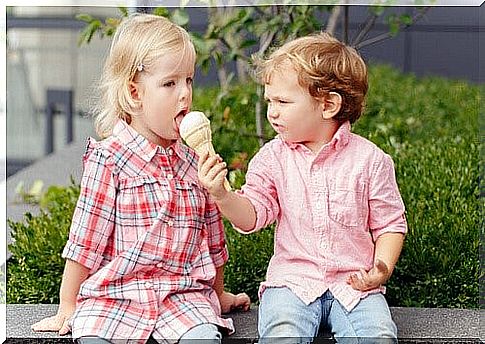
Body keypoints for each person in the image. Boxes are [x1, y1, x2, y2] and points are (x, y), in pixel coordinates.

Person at [31, 13, 250, 344]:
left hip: (182, 295)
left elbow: (213, 239)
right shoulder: (110, 161)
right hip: (116, 294)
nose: (185, 94)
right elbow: (85, 242)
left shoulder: (194, 161)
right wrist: (67, 306)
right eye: (170, 83)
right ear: (134, 93)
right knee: (92, 336)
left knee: (204, 337)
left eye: (188, 80)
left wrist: (217, 293)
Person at [198, 32, 407, 343]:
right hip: (292, 285)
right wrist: (223, 195)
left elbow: (390, 223)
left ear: (328, 105)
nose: (272, 111)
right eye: (269, 100)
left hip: (355, 287)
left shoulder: (371, 161)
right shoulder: (272, 158)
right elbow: (252, 216)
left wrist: (382, 267)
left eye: (283, 101)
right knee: (283, 335)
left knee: (378, 336)